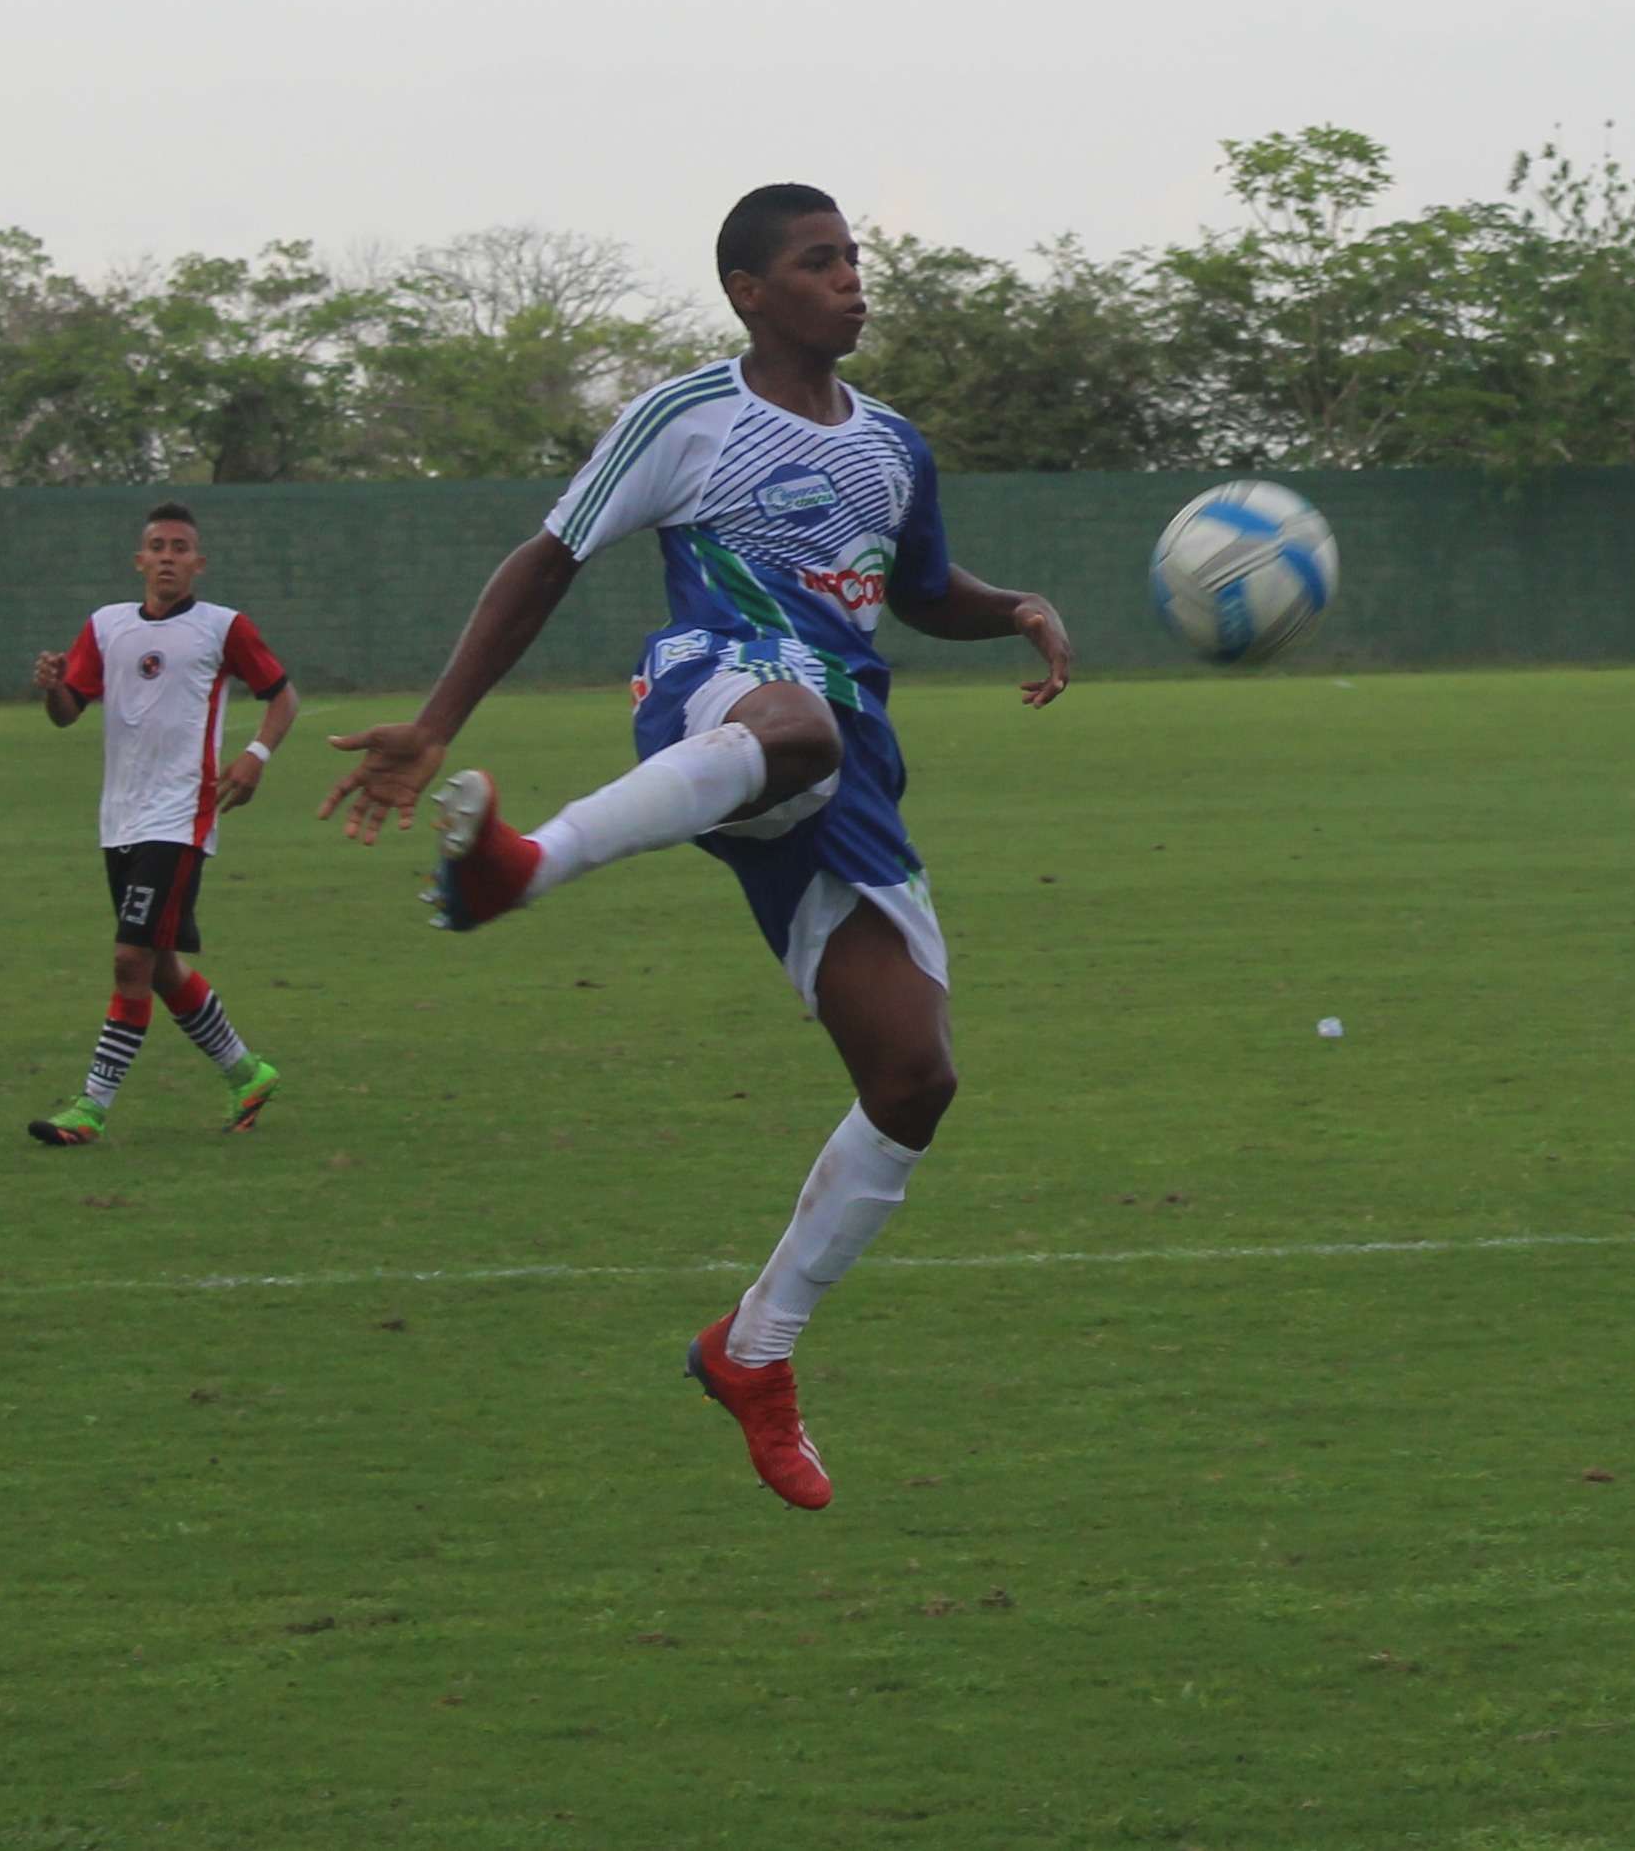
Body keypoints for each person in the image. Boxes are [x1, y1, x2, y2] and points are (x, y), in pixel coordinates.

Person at [320, 183, 1074, 1515]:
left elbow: (911, 590)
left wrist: (1013, 605)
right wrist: (439, 724)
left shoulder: (893, 445)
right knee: (790, 722)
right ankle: (521, 866)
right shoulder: (686, 419)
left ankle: (755, 1350)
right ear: (746, 289)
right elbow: (546, 558)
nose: (849, 279)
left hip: (846, 770)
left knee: (913, 1080)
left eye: (852, 257)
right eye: (816, 261)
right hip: (713, 690)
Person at [25, 503, 297, 1145]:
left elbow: (282, 696)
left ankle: (90, 1109)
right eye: (157, 546)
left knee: (130, 959)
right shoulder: (105, 627)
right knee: (162, 963)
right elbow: (68, 712)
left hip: (180, 818)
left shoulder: (222, 627)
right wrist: (52, 686)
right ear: (140, 560)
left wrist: (255, 757)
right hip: (119, 818)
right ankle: (248, 1073)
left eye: (181, 547)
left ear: (198, 563)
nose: (168, 556)